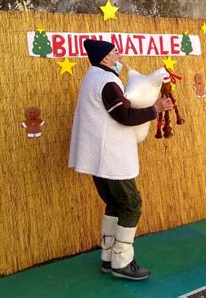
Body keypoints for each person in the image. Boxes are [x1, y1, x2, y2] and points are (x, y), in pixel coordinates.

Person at [69, 39, 173, 280]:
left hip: (98, 159)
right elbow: (124, 115)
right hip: (111, 159)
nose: (119, 55)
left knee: (115, 204)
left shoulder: (92, 77)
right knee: (131, 204)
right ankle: (122, 262)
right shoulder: (107, 82)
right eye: (115, 52)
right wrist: (155, 108)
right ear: (105, 58)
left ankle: (108, 257)